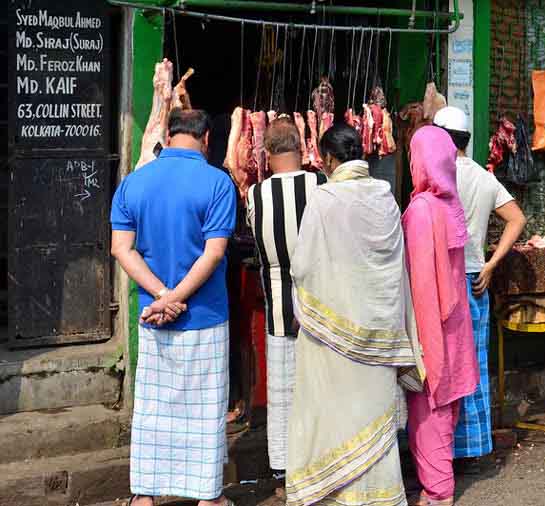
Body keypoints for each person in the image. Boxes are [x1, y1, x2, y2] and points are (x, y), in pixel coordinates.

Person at [285, 123, 420, 506]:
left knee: (333, 419)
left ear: (328, 159)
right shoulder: (387, 197)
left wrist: (310, 306)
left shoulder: (324, 200)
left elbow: (303, 265)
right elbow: (394, 266)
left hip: (332, 335)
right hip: (379, 335)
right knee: (371, 420)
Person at [110, 108, 237, 506]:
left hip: (155, 318)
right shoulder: (218, 183)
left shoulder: (133, 182)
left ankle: (144, 498)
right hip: (204, 315)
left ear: (168, 133)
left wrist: (162, 295)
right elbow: (213, 254)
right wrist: (177, 297)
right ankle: (208, 499)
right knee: (205, 413)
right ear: (207, 138)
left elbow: (121, 249)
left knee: (153, 410)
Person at [432, 106, 526, 469]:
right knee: (473, 364)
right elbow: (517, 218)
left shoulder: (434, 174)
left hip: (443, 279)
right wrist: (491, 263)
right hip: (474, 278)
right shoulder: (484, 178)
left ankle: (441, 447)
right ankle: (470, 447)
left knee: (443, 365)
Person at [245, 116, 326, 497]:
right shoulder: (319, 184)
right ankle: (320, 461)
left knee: (282, 393)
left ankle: (283, 471)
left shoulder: (255, 194)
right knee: (319, 387)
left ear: (267, 154)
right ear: (300, 147)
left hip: (279, 304)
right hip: (320, 306)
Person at [403, 126, 479, 506]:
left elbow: (418, 280)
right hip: (456, 323)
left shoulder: (420, 210)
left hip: (430, 322)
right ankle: (439, 485)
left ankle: (438, 493)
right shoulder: (452, 204)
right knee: (444, 409)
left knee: (428, 409)